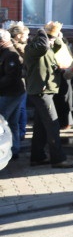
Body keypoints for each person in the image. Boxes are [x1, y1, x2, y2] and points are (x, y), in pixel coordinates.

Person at [24, 21, 73, 168]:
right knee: (53, 125)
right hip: (42, 91)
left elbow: (58, 46)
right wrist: (43, 32)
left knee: (40, 126)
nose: (51, 41)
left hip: (47, 90)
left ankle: (37, 157)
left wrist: (56, 35)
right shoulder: (33, 48)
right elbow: (43, 45)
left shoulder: (48, 48)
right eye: (50, 38)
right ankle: (58, 159)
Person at [0, 28, 25, 161]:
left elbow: (10, 77)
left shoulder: (10, 54)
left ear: (2, 41)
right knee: (13, 122)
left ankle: (6, 150)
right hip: (12, 92)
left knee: (2, 122)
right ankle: (14, 149)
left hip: (11, 93)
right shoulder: (5, 52)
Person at [8, 22, 29, 141]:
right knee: (20, 109)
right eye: (26, 35)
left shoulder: (23, 46)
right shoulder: (15, 47)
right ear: (19, 35)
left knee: (20, 108)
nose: (27, 37)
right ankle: (19, 133)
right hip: (18, 82)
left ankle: (20, 133)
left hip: (21, 82)